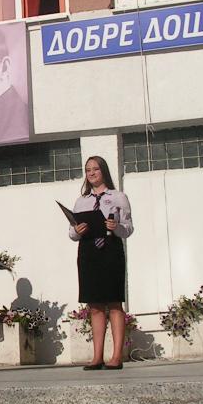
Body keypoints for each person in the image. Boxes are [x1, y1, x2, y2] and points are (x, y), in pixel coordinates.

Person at [68, 155, 134, 370]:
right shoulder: (81, 201)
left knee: (114, 302)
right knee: (94, 304)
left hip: (110, 249)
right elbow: (72, 233)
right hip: (88, 251)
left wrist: (117, 227)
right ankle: (97, 356)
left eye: (95, 169)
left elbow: (128, 228)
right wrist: (77, 231)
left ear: (103, 171)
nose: (92, 173)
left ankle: (117, 356)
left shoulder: (118, 197)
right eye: (88, 170)